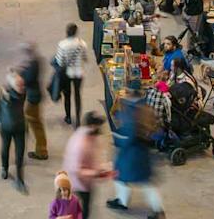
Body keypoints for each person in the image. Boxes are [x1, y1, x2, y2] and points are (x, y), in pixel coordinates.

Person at [105, 87, 165, 219]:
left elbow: (127, 135)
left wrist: (116, 138)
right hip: (143, 154)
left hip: (130, 156)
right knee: (147, 183)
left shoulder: (130, 111)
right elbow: (158, 132)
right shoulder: (147, 109)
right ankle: (158, 210)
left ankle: (122, 201)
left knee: (119, 176)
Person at [64, 112, 111, 218]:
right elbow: (76, 169)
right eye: (98, 124)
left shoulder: (91, 136)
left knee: (85, 206)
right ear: (91, 126)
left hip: (86, 181)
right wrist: (96, 172)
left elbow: (94, 155)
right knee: (81, 208)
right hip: (77, 182)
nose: (101, 127)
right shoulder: (80, 144)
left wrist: (102, 167)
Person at [0, 70, 29, 194]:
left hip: (19, 127)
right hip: (6, 127)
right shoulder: (6, 95)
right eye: (19, 85)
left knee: (19, 154)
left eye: (22, 84)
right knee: (5, 147)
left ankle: (19, 179)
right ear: (13, 86)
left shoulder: (17, 93)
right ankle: (4, 167)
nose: (22, 87)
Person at [18, 43, 48, 161]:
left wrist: (20, 74)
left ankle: (41, 151)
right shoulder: (36, 61)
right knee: (35, 122)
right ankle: (41, 148)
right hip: (35, 96)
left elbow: (28, 80)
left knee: (36, 124)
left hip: (33, 98)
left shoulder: (33, 64)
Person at [56, 23, 89, 126]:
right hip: (79, 73)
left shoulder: (62, 44)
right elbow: (85, 58)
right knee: (77, 95)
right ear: (76, 32)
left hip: (67, 73)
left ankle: (68, 117)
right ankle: (78, 119)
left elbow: (60, 62)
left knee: (67, 95)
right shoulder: (82, 44)